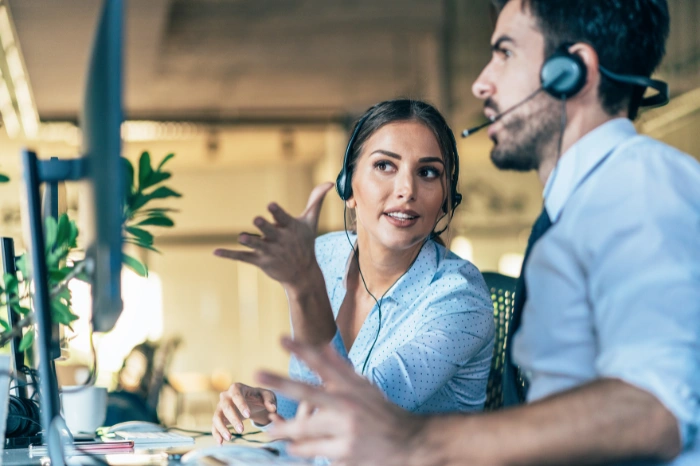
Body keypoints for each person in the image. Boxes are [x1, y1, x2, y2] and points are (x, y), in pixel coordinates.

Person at [255, 1, 700, 465]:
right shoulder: (575, 213)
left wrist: (420, 441)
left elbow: (656, 409)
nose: (481, 82)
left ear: (572, 72)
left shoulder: (639, 186)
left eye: (505, 54)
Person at [210, 99, 495, 443]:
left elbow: (355, 413)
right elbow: (316, 395)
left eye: (428, 172)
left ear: (447, 199)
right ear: (349, 187)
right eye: (385, 166)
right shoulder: (324, 256)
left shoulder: (460, 299)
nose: (406, 190)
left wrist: (304, 287)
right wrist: (265, 405)